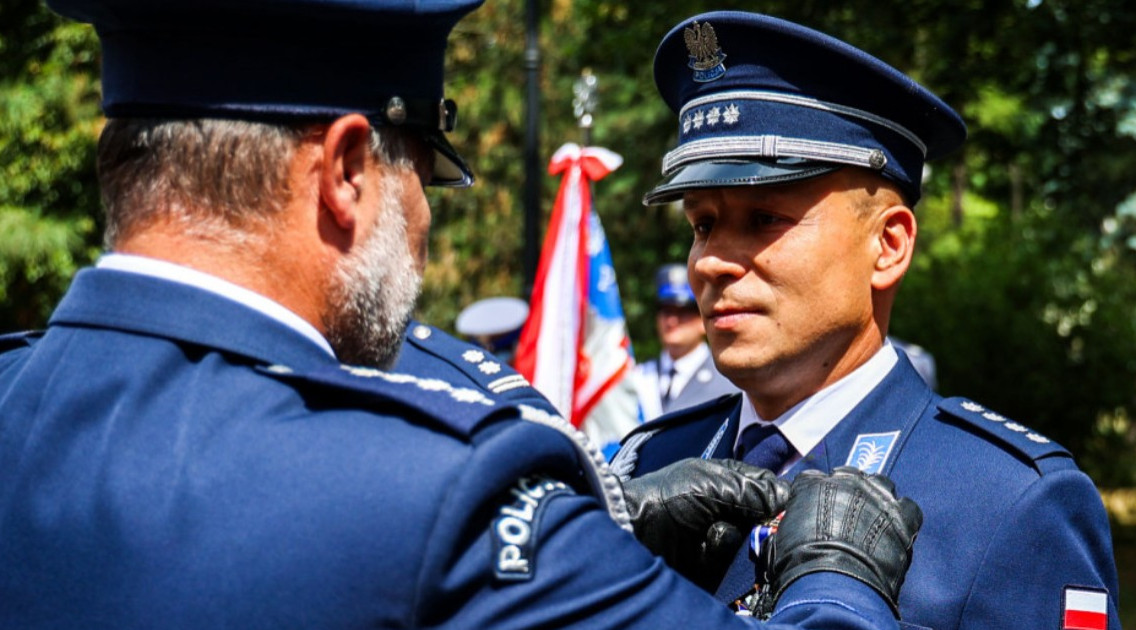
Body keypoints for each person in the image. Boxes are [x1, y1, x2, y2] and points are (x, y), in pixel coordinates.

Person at [0, 1, 926, 628]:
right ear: (348, 172)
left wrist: (599, 526)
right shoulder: (440, 496)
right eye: (425, 176)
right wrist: (836, 578)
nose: (428, 221)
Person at [611, 11, 1121, 630]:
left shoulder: (1009, 503)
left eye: (765, 218)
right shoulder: (651, 467)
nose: (712, 261)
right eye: (703, 225)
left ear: (889, 246)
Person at [634, 263, 738, 420]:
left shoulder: (730, 378)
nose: (671, 321)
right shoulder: (638, 376)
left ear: (703, 319)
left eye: (682, 312)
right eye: (665, 311)